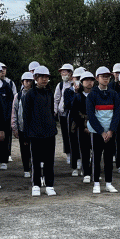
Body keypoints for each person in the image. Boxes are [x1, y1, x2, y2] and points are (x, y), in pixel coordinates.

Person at [23, 66, 58, 197]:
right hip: (35, 133)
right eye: (42, 77)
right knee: (36, 160)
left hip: (49, 132)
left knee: (49, 160)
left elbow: (51, 111)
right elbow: (26, 115)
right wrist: (26, 135)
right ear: (35, 78)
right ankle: (36, 184)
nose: (44, 79)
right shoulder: (30, 94)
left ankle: (49, 185)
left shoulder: (49, 93)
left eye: (46, 77)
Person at [86, 66, 120, 194]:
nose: (105, 79)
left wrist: (111, 131)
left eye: (107, 76)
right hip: (97, 132)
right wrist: (101, 132)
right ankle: (96, 183)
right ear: (97, 78)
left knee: (108, 158)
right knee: (96, 157)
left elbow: (117, 114)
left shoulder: (114, 94)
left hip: (110, 132)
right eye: (103, 76)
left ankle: (108, 183)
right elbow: (91, 116)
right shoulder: (92, 95)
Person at [72, 71, 95, 184]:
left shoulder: (97, 95)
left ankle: (94, 172)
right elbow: (75, 113)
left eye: (91, 80)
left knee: (95, 151)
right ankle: (86, 173)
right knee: (84, 150)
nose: (89, 82)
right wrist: (83, 126)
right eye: (86, 80)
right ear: (81, 82)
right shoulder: (77, 97)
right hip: (82, 127)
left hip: (96, 126)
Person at [11, 71, 34, 178]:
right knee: (24, 149)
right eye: (26, 81)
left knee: (34, 148)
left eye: (30, 81)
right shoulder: (18, 96)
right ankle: (26, 169)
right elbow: (14, 112)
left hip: (34, 127)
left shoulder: (35, 94)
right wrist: (14, 127)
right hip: (22, 127)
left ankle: (34, 167)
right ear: (22, 82)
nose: (28, 83)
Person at [55, 63, 74, 165]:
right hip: (63, 115)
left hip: (73, 114)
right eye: (61, 72)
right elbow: (56, 99)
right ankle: (68, 154)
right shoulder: (60, 85)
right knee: (65, 135)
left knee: (74, 134)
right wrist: (55, 110)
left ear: (70, 73)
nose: (62, 73)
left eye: (64, 71)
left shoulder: (75, 84)